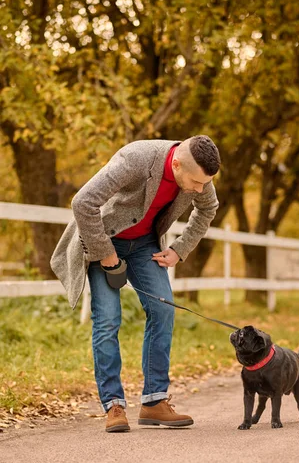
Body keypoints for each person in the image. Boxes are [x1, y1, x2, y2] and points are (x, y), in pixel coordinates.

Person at [50, 136, 220, 433]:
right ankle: (113, 405)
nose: (199, 190)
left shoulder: (198, 172)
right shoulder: (136, 159)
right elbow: (83, 202)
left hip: (144, 245)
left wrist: (181, 249)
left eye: (204, 184)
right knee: (108, 319)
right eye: (195, 183)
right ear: (176, 164)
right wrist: (105, 254)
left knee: (163, 310)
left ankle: (154, 401)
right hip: (104, 239)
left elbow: (208, 208)